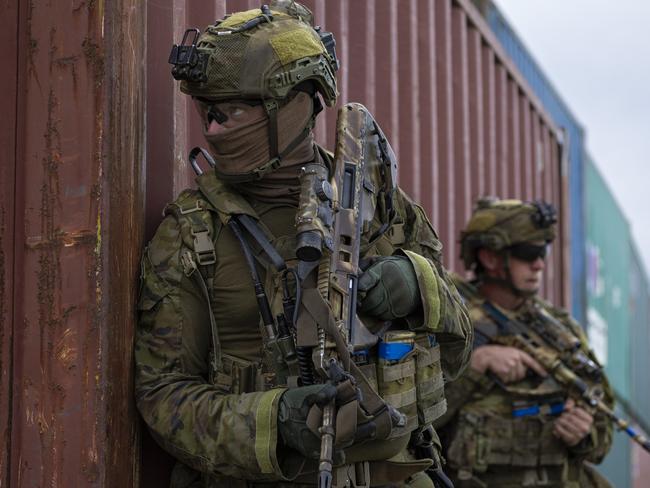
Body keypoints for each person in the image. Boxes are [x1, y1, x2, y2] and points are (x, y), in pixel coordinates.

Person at [134, 2, 472, 487]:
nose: (211, 129)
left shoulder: (379, 204)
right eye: (206, 111)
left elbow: (459, 356)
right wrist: (278, 421)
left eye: (231, 111)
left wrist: (419, 289)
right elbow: (163, 397)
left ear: (297, 103)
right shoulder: (191, 232)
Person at [434, 198, 614, 488]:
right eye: (527, 253)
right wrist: (476, 364)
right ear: (489, 257)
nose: (539, 264)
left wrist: (584, 433)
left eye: (542, 252)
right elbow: (412, 423)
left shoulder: (560, 329)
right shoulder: (448, 318)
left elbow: (604, 432)